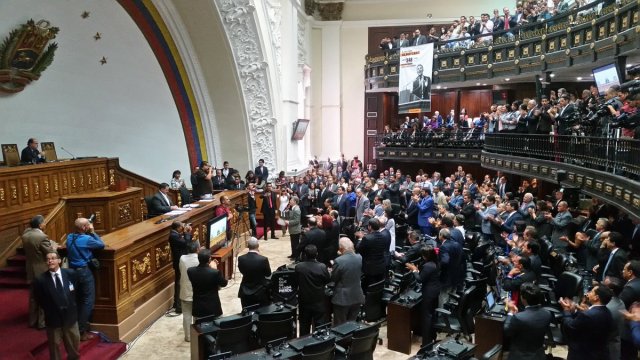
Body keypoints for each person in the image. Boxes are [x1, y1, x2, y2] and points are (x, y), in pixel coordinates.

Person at [33, 251, 80, 360]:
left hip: (70, 318)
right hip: (53, 320)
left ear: (59, 260)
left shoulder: (71, 274)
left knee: (74, 345)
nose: (50, 261)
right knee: (54, 348)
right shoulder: (40, 280)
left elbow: (77, 292)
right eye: (48, 259)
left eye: (53, 258)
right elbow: (39, 299)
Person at [66, 217, 104, 341]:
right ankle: (81, 331)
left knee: (78, 299)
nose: (89, 226)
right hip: (84, 272)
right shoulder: (87, 239)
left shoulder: (70, 237)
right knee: (88, 300)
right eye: (87, 225)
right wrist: (92, 231)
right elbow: (101, 244)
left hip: (72, 272)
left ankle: (74, 328)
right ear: (84, 228)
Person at [23, 214, 58, 329]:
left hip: (30, 268)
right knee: (45, 296)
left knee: (33, 296)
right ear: (39, 224)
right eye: (44, 222)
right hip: (42, 269)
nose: (45, 223)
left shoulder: (25, 235)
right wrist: (54, 247)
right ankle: (42, 323)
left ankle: (32, 321)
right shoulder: (42, 237)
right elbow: (50, 254)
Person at [503, 283, 553, 360]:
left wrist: (510, 312)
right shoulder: (547, 313)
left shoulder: (519, 318)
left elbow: (507, 331)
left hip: (520, 356)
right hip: (539, 355)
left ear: (523, 298)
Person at [405, 245, 441, 346]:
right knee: (432, 315)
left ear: (425, 256)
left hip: (429, 293)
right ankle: (432, 337)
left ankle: (426, 343)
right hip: (435, 291)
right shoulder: (436, 262)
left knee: (427, 317)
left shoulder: (428, 266)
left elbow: (420, 279)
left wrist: (414, 270)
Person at [295, 244, 330, 336]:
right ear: (317, 254)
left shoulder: (299, 267)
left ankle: (303, 346)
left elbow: (296, 282)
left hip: (304, 302)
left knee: (304, 327)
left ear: (304, 255)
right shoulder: (322, 267)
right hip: (319, 302)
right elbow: (327, 280)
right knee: (320, 327)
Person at [331, 238, 364, 325]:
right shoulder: (359, 257)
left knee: (340, 327)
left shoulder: (338, 261)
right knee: (351, 325)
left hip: (343, 299)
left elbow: (334, 278)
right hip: (357, 296)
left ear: (341, 249)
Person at [187, 249, 228, 319]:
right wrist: (214, 268)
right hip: (213, 308)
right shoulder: (215, 272)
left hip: (198, 308)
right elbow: (224, 283)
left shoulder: (190, 271)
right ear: (209, 259)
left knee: (198, 329)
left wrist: (211, 268)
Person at [356, 218, 390, 290]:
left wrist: (360, 239)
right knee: (377, 286)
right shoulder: (384, 236)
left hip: (370, 268)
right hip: (381, 266)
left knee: (367, 288)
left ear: (370, 227)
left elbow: (358, 249)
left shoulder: (367, 238)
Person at [237, 237, 272, 308]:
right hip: (260, 291)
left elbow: (242, 271)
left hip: (245, 291)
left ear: (247, 246)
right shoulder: (263, 259)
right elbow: (268, 274)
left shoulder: (241, 258)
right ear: (258, 246)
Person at [169, 221, 193, 313]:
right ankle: (178, 306)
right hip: (179, 262)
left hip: (181, 261)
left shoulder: (176, 234)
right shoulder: (173, 236)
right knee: (179, 282)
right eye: (182, 227)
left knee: (180, 282)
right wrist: (187, 233)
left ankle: (177, 304)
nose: (183, 228)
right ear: (178, 228)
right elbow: (185, 243)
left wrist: (186, 233)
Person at [178, 241, 199, 342]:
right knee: (197, 315)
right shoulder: (199, 259)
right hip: (197, 292)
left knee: (186, 315)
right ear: (197, 249)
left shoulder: (182, 258)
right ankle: (197, 334)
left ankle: (188, 337)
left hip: (185, 291)